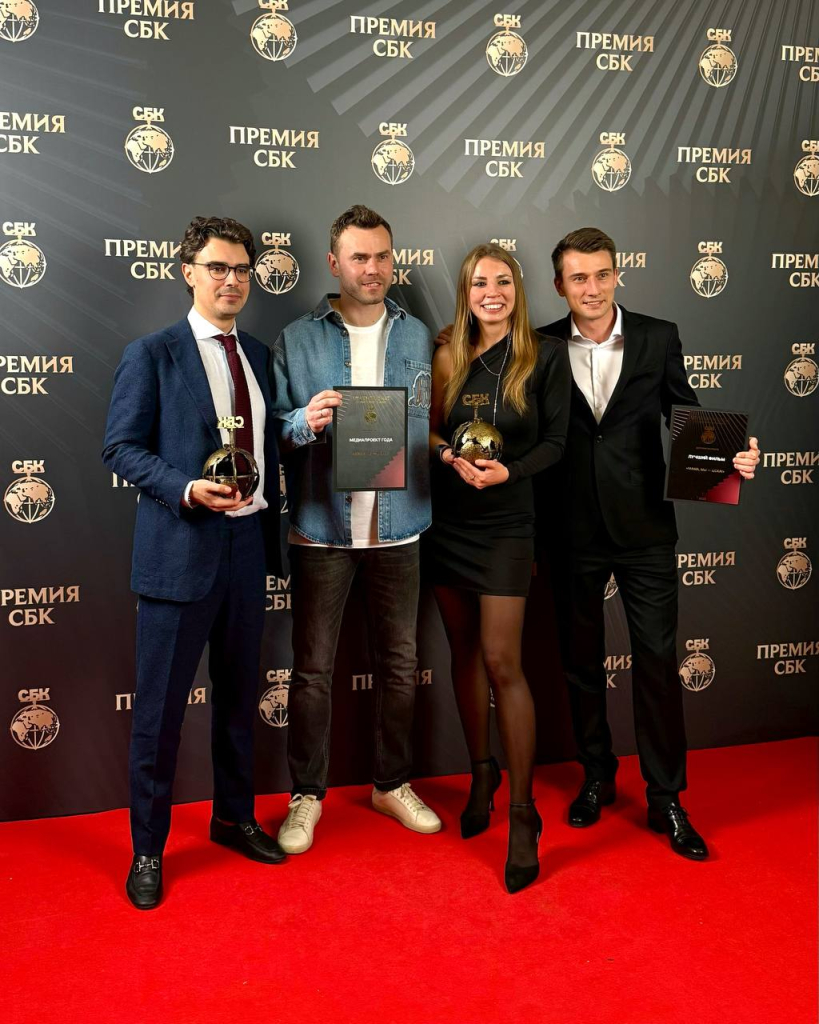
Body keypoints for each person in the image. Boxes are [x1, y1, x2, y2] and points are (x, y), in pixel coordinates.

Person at [537, 227, 760, 859]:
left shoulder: (659, 336)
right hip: (570, 529)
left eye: (602, 274)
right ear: (560, 285)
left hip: (645, 530)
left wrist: (731, 458)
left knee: (658, 664)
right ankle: (597, 776)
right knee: (580, 664)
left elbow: (685, 415)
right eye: (578, 277)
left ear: (617, 275)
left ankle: (666, 797)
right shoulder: (541, 344)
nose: (592, 288)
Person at [102, 216, 285, 910]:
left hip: (248, 548)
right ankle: (148, 848)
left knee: (238, 701)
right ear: (188, 272)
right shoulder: (152, 353)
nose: (231, 280)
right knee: (159, 713)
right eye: (217, 268)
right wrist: (184, 488)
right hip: (180, 551)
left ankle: (233, 819)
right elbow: (120, 447)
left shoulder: (259, 355)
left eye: (241, 269)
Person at [270, 204, 441, 854]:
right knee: (312, 671)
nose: (373, 268)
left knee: (400, 666)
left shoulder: (417, 335)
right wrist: (302, 422)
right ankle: (306, 795)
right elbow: (272, 431)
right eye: (359, 257)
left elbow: (425, 421)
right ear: (334, 263)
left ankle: (390, 784)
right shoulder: (297, 338)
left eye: (382, 256)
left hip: (400, 529)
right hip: (322, 530)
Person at [427, 242, 571, 893]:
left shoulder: (544, 355)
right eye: (480, 282)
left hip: (509, 524)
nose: (492, 292)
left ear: (518, 289)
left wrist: (507, 472)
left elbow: (556, 443)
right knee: (462, 652)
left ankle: (522, 812)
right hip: (450, 522)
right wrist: (448, 457)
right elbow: (431, 429)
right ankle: (479, 774)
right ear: (466, 291)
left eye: (503, 281)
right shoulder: (448, 354)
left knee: (501, 661)